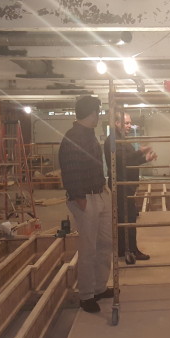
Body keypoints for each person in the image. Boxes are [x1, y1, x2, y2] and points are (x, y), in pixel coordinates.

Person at [58, 96, 113, 313]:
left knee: (105, 243)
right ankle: (86, 295)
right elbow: (69, 169)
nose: (99, 115)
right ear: (90, 113)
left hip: (99, 193)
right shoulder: (72, 137)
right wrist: (79, 197)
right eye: (98, 111)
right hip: (85, 198)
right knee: (89, 248)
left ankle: (99, 287)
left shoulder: (89, 135)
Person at [104, 112, 157, 260]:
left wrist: (145, 158)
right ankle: (130, 250)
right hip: (120, 184)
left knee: (127, 218)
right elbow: (122, 160)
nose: (129, 126)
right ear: (117, 123)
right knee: (127, 218)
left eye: (129, 123)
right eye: (126, 123)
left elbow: (129, 162)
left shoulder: (121, 140)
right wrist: (141, 150)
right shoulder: (113, 141)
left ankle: (125, 250)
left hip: (126, 184)